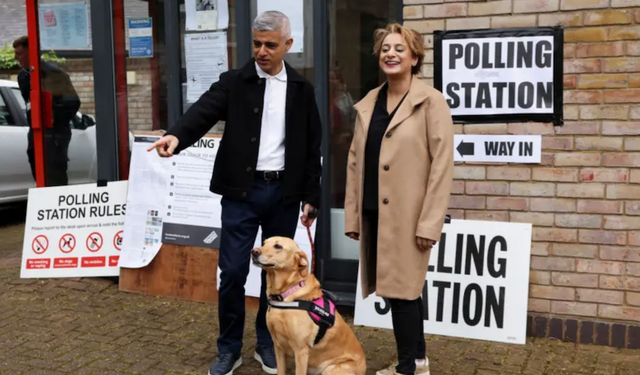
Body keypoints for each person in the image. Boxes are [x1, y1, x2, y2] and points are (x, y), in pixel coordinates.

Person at [148, 11, 322, 375]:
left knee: (275, 275)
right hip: (242, 192)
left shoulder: (303, 89)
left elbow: (311, 145)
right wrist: (176, 137)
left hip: (285, 194)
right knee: (232, 272)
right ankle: (228, 348)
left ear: (288, 45)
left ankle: (267, 344)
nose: (261, 51)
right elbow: (203, 112)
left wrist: (312, 195)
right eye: (257, 43)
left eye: (270, 45)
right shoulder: (234, 81)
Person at [344, 23, 454, 375]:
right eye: (385, 49)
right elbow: (354, 162)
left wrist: (429, 222)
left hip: (409, 217)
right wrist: (353, 217)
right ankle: (418, 359)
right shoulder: (369, 104)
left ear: (415, 57)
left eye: (399, 49)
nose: (391, 54)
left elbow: (442, 166)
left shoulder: (431, 102)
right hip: (375, 213)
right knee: (395, 290)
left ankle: (408, 367)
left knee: (405, 292)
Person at [13, 36, 81, 186]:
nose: (15, 57)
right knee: (37, 170)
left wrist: (53, 119)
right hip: (35, 131)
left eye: (19, 53)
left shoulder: (54, 74)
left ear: (32, 52)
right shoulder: (23, 76)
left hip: (54, 133)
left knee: (55, 174)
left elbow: (73, 102)